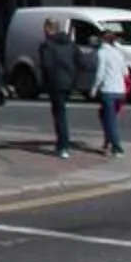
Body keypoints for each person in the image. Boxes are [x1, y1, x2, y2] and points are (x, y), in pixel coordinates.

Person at [36, 16, 82, 158]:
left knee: (59, 114)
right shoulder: (71, 44)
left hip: (55, 83)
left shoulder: (47, 45)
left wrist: (44, 84)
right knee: (61, 113)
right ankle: (62, 144)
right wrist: (74, 77)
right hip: (69, 82)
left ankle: (63, 146)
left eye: (45, 28)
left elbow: (46, 65)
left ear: (49, 29)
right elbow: (80, 61)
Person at [89, 24, 131, 154]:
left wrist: (94, 89)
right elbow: (126, 72)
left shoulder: (102, 53)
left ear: (102, 39)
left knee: (110, 119)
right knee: (105, 116)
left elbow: (100, 73)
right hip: (121, 91)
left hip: (108, 90)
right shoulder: (118, 53)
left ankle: (117, 147)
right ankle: (108, 141)